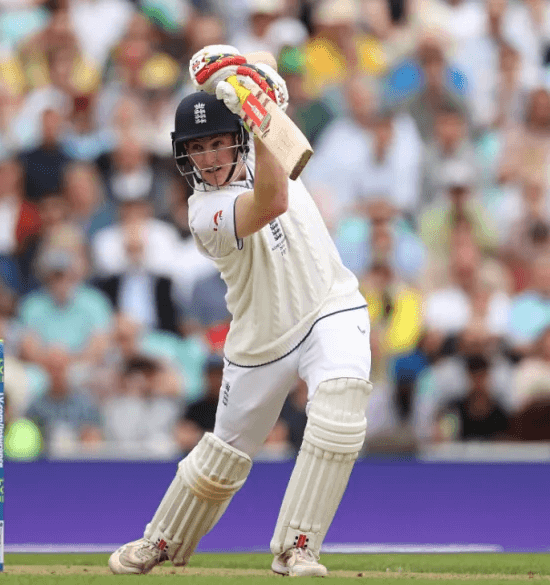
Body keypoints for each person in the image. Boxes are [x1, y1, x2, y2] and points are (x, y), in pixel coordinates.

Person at [109, 48, 372, 578]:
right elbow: (272, 200)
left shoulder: (260, 138)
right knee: (223, 458)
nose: (207, 157)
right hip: (261, 336)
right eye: (196, 148)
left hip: (330, 305)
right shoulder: (202, 212)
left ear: (239, 140)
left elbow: (266, 56)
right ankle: (162, 540)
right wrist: (260, 112)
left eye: (217, 142)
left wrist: (246, 73)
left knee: (340, 414)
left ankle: (297, 547)